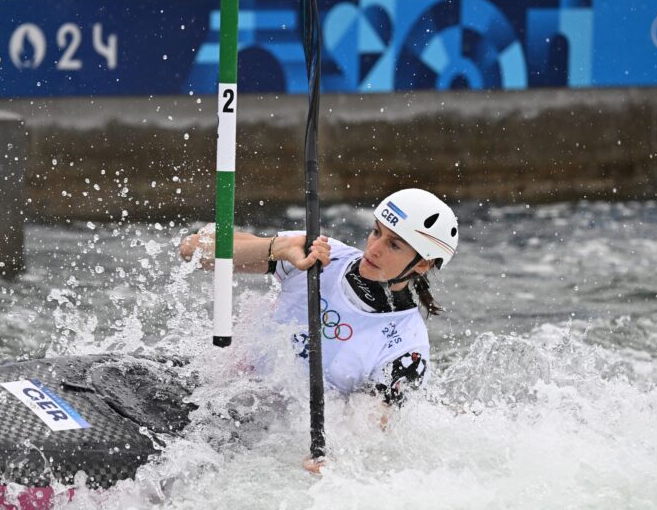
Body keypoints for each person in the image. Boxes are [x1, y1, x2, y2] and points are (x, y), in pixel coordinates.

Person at [179, 188, 458, 450]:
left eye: (394, 245)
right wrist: (278, 247)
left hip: (265, 441)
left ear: (423, 263)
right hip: (212, 396)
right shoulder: (322, 257)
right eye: (376, 232)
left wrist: (327, 456)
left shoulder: (406, 352)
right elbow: (192, 250)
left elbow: (358, 437)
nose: (373, 249)